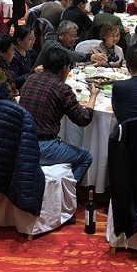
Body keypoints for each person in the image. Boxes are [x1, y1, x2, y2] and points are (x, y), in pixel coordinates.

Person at [20, 48, 97, 184]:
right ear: (64, 69)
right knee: (86, 157)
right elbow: (84, 119)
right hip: (42, 147)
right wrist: (93, 96)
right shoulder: (62, 89)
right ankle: (68, 192)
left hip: (21, 141)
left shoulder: (31, 78)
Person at [34, 20, 108, 68]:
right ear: (61, 35)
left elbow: (72, 62)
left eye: (75, 36)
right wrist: (90, 56)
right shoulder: (51, 43)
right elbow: (67, 54)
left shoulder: (67, 44)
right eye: (71, 36)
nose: (74, 39)